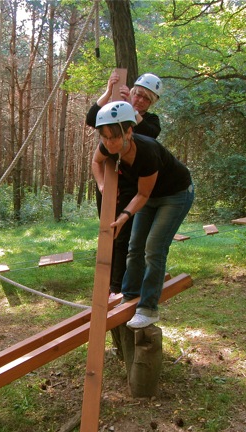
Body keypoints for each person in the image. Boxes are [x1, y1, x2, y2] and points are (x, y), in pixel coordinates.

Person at [92, 101, 194, 329]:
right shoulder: (107, 146)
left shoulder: (147, 152)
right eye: (104, 137)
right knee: (134, 247)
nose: (108, 143)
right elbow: (96, 162)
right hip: (149, 196)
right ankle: (129, 296)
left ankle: (148, 309)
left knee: (153, 249)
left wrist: (124, 216)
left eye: (114, 137)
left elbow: (143, 194)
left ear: (128, 132)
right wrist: (102, 185)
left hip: (175, 195)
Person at [86, 71, 163, 294]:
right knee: (107, 231)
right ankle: (107, 280)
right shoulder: (116, 111)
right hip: (109, 183)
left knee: (122, 236)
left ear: (152, 102)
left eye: (146, 98)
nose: (139, 100)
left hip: (131, 186)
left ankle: (117, 285)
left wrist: (129, 107)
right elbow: (92, 118)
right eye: (137, 94)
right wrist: (109, 92)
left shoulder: (150, 120)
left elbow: (149, 133)